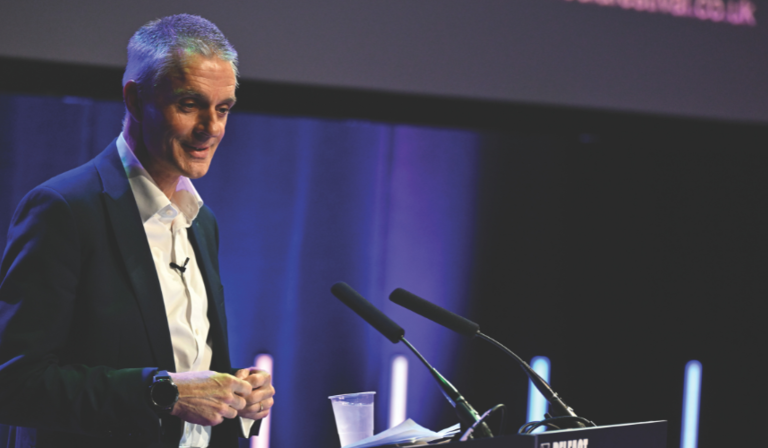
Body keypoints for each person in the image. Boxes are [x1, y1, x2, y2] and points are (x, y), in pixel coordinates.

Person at [0, 14, 274, 448]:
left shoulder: (202, 222)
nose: (212, 128)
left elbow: (184, 367)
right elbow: (14, 382)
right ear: (133, 99)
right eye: (189, 105)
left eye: (223, 109)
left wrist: (237, 395)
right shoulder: (64, 209)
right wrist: (162, 391)